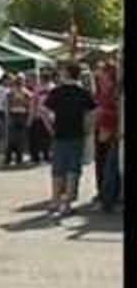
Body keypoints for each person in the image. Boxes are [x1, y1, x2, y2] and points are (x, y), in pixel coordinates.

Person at [44, 62, 96, 217]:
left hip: (59, 134)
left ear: (66, 73)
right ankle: (67, 204)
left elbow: (45, 110)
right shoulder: (83, 92)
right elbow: (92, 113)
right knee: (73, 169)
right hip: (77, 134)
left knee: (58, 168)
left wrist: (50, 127)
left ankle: (54, 200)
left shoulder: (56, 91)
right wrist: (88, 129)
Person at [93, 61, 120, 211]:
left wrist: (103, 111)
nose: (101, 78)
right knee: (101, 165)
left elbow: (117, 112)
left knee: (110, 168)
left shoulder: (115, 93)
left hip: (113, 133)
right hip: (101, 131)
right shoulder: (100, 91)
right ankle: (102, 195)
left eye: (104, 75)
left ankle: (108, 199)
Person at [4, 73, 32, 166]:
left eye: (21, 80)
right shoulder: (11, 92)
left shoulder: (26, 92)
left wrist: (28, 117)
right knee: (12, 138)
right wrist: (8, 116)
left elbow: (29, 105)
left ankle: (18, 158)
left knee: (20, 138)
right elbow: (8, 105)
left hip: (22, 115)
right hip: (14, 115)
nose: (20, 82)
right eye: (19, 80)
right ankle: (8, 158)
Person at [28, 69, 55, 164]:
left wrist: (31, 116)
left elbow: (33, 103)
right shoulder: (53, 88)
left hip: (41, 115)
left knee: (39, 137)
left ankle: (39, 156)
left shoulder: (39, 88)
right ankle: (46, 155)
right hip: (47, 116)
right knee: (45, 137)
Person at [0, 72, 12, 158]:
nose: (10, 82)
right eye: (9, 80)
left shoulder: (8, 89)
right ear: (4, 79)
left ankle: (7, 152)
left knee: (8, 134)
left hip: (9, 113)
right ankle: (1, 152)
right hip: (2, 113)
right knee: (3, 133)